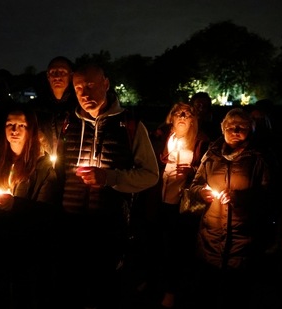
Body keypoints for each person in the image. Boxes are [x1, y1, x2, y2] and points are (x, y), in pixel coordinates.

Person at [55, 62, 159, 309]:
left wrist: (110, 178)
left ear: (106, 84)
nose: (85, 94)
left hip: (109, 230)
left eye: (90, 85)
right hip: (71, 228)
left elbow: (151, 175)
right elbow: (57, 173)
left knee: (106, 293)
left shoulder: (130, 125)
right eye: (79, 87)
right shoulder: (67, 125)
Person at [0, 104, 61, 309]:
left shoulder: (43, 167)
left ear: (31, 130)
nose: (14, 130)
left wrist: (15, 205)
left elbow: (46, 210)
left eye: (21, 125)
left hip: (26, 248)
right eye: (10, 124)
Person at [186, 108, 274, 309]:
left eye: (241, 126)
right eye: (230, 126)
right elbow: (196, 184)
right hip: (211, 239)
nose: (235, 130)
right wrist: (201, 192)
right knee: (206, 293)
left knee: (236, 296)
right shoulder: (211, 155)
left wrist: (240, 197)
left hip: (243, 242)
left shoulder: (259, 158)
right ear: (222, 128)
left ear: (250, 129)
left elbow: (270, 194)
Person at [139, 102, 209, 308]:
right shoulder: (163, 138)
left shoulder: (200, 142)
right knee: (154, 243)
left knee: (176, 248)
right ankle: (151, 281)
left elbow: (207, 171)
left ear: (193, 120)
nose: (182, 116)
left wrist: (191, 171)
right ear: (171, 117)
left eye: (187, 114)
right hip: (158, 198)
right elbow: (150, 161)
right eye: (178, 113)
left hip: (180, 203)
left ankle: (172, 289)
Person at [28, 56, 79, 167]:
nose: (57, 77)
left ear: (71, 76)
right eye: (53, 72)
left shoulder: (79, 107)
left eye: (62, 72)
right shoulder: (35, 108)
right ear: (48, 76)